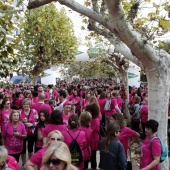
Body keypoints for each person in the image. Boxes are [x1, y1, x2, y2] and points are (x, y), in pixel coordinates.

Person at [20, 98, 38, 165]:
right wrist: (22, 121)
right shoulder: (19, 112)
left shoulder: (34, 111)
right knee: (23, 149)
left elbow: (37, 121)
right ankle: (24, 163)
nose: (26, 106)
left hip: (31, 133)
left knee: (30, 148)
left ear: (30, 105)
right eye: (24, 104)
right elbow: (16, 121)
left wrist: (32, 124)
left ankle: (30, 163)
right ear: (22, 105)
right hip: (22, 133)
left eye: (27, 104)